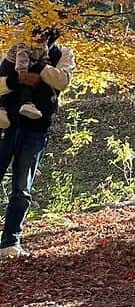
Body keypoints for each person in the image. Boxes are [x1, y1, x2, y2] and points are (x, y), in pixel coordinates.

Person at [0, 21, 75, 259]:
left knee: (22, 188)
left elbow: (62, 81)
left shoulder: (62, 53)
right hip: (6, 126)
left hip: (37, 127)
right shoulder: (15, 50)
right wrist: (17, 80)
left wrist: (42, 67)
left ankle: (10, 242)